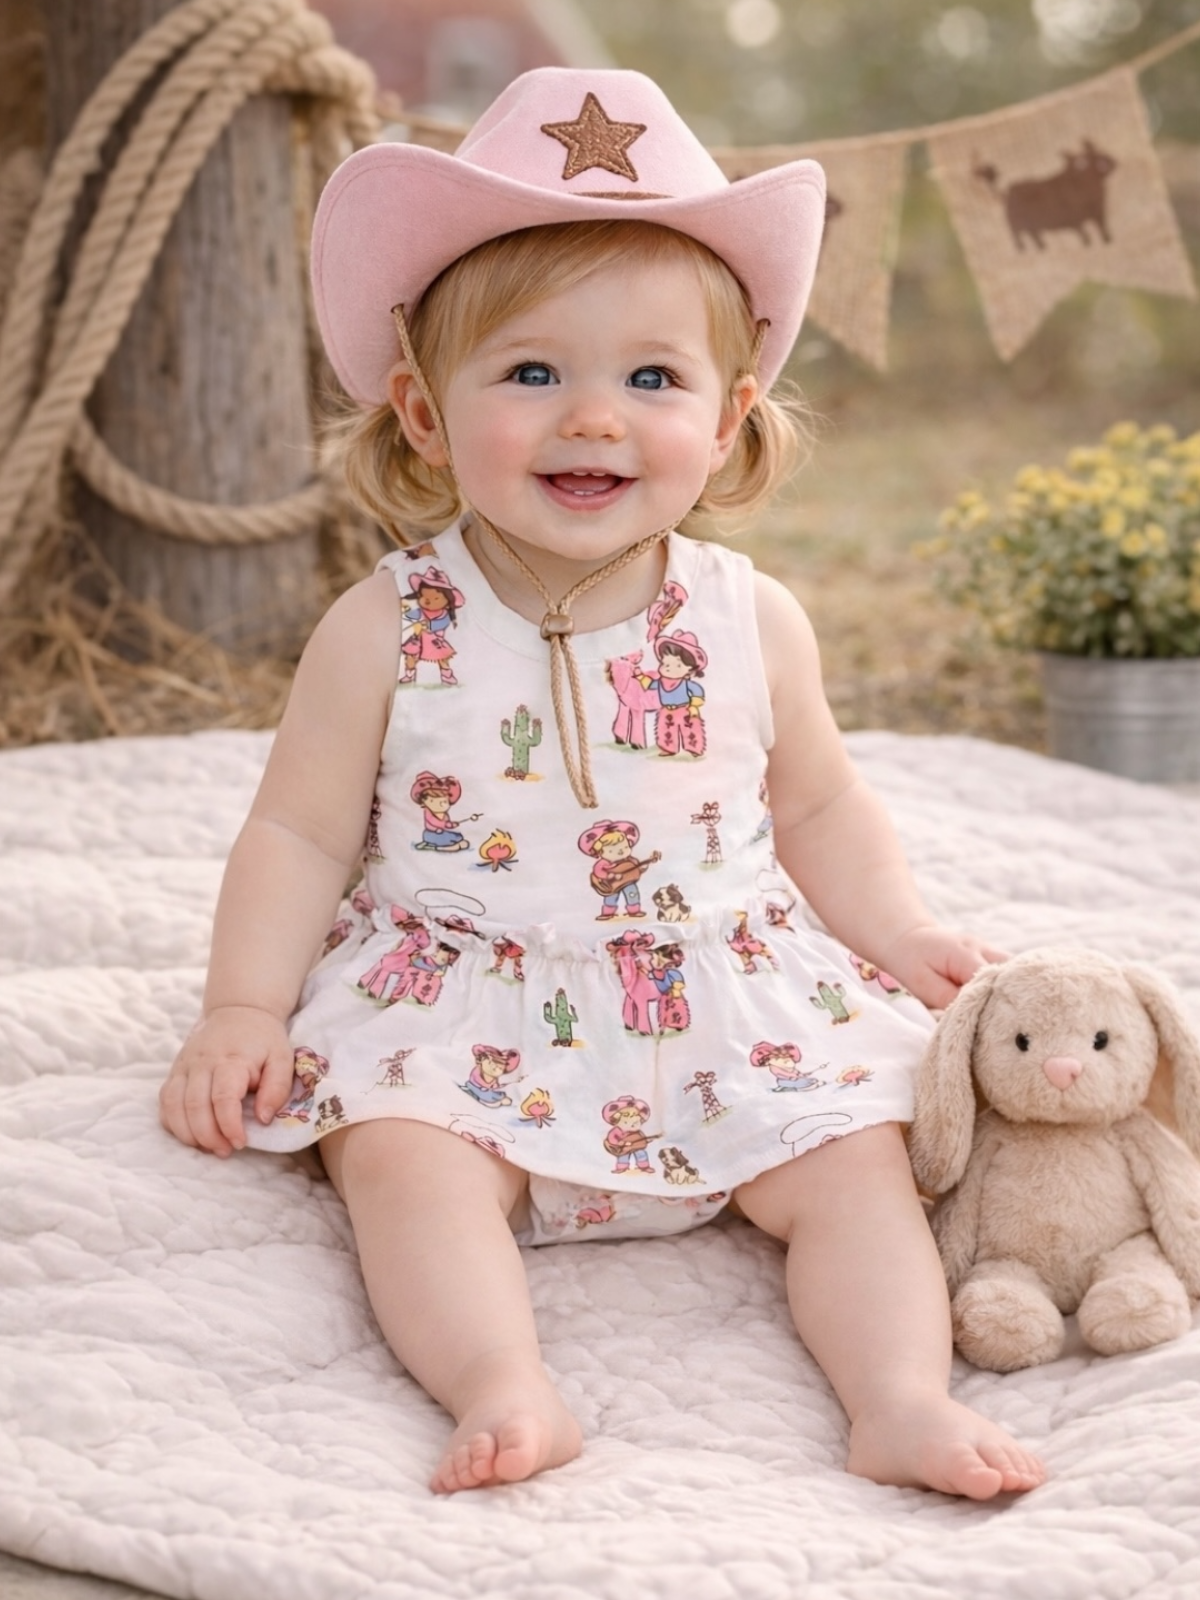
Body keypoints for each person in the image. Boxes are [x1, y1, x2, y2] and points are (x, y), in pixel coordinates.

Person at [159, 67, 1046, 1501]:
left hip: (720, 984)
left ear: (733, 411)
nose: (594, 418)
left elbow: (817, 805)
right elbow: (301, 829)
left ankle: (897, 1397)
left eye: (652, 378)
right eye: (530, 373)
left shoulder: (748, 616)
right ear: (424, 414)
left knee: (857, 1160)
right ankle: (505, 1383)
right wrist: (243, 1009)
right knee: (398, 1154)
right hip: (467, 988)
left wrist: (898, 935)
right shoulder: (389, 622)